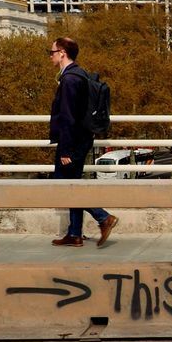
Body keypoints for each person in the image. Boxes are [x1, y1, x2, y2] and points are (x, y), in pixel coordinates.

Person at [47, 37, 119, 247]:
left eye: (51, 52)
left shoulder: (70, 80)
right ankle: (75, 233)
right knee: (73, 183)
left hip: (73, 141)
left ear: (62, 53)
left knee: (66, 185)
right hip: (81, 138)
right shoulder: (78, 75)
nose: (50, 56)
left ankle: (103, 217)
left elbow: (68, 117)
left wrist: (66, 150)